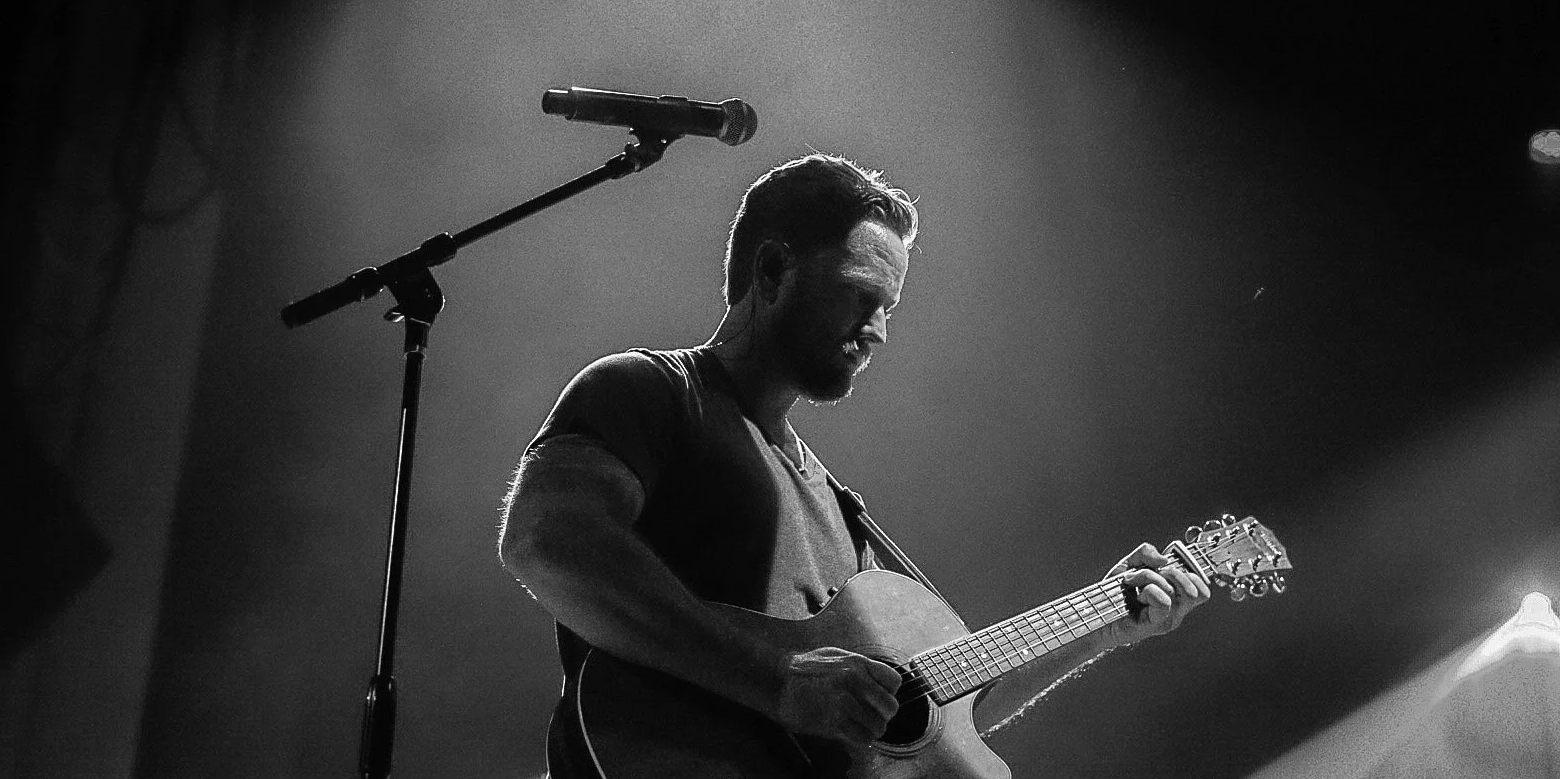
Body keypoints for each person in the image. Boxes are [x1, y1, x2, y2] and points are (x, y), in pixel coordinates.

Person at [498, 153, 1209, 776]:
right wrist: (776, 680)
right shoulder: (650, 389)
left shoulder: (837, 507)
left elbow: (936, 709)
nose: (878, 331)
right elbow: (546, 542)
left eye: (889, 307)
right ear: (772, 269)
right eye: (861, 295)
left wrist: (1105, 620)